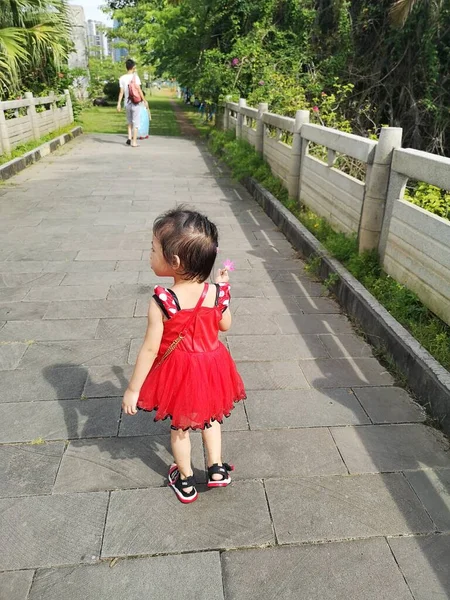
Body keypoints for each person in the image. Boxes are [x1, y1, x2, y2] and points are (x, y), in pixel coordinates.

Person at [122, 208, 246, 504]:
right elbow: (225, 325)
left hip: (181, 370)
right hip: (213, 364)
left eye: (153, 249)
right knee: (212, 418)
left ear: (174, 262)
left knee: (180, 427)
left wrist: (133, 389)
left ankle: (187, 479)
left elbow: (150, 349)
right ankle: (216, 469)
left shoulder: (163, 301)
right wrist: (225, 290)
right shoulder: (216, 292)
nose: (150, 254)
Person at [117, 58, 149, 147]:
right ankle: (134, 142)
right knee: (136, 123)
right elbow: (139, 90)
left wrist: (119, 103)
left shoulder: (122, 78)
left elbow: (121, 92)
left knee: (129, 121)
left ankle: (129, 137)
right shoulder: (135, 77)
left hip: (127, 103)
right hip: (136, 103)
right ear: (133, 67)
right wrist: (144, 100)